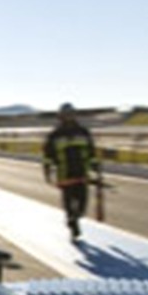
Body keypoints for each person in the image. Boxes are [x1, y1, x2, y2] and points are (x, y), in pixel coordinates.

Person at [42, 103, 100, 241]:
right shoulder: (54, 135)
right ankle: (72, 224)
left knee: (82, 205)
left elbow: (91, 150)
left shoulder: (83, 132)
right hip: (65, 174)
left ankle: (75, 218)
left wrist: (94, 165)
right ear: (60, 116)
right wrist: (47, 172)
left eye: (71, 114)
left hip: (82, 173)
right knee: (69, 202)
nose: (69, 117)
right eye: (66, 114)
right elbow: (47, 156)